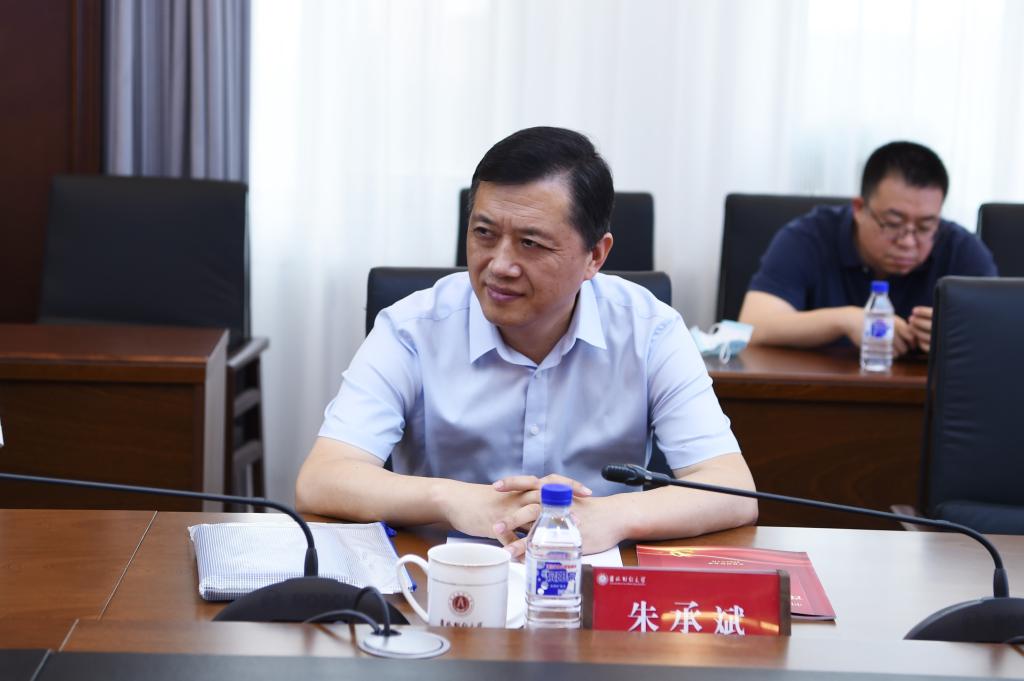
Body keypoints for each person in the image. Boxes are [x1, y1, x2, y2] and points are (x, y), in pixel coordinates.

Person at [296, 126, 757, 557]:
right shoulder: (411, 328)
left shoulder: (650, 330)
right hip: (441, 579)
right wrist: (453, 499)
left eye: (531, 243)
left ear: (595, 256)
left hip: (592, 580)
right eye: (484, 234)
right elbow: (323, 477)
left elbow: (732, 489)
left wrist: (610, 516)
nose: (499, 265)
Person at [739, 141, 997, 354]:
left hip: (926, 398)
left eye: (925, 226)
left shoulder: (961, 248)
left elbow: (1002, 336)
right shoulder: (808, 237)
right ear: (859, 209)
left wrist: (959, 337)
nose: (908, 241)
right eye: (893, 223)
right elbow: (753, 325)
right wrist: (843, 320)